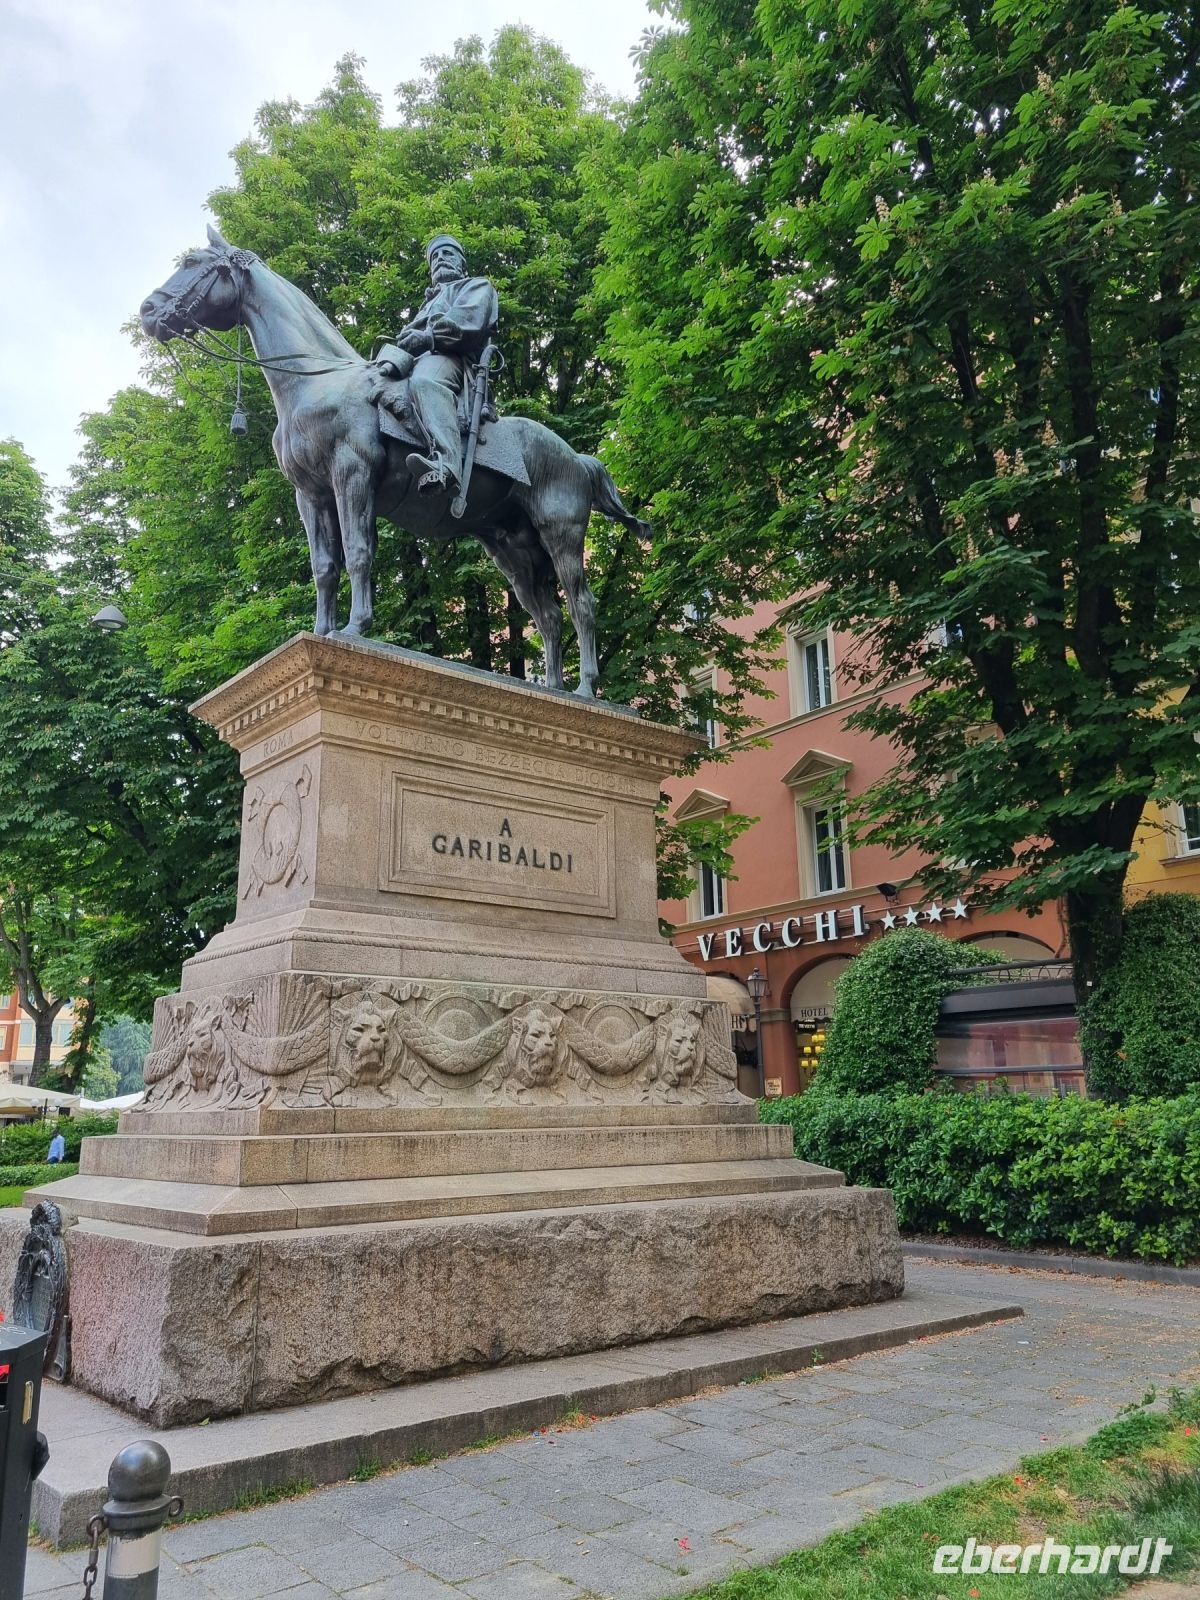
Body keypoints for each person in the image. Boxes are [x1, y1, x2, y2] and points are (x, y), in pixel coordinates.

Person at [391, 234, 499, 498]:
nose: (440, 260)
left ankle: (447, 463)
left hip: (454, 362)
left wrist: (427, 337)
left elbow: (469, 323)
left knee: (425, 383)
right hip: (411, 363)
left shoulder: (477, 286)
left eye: (447, 254)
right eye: (435, 257)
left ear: (462, 263)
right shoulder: (424, 305)